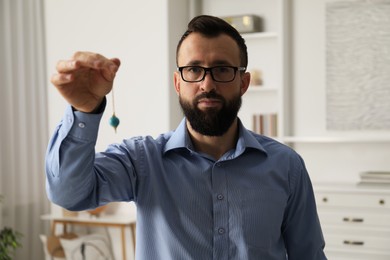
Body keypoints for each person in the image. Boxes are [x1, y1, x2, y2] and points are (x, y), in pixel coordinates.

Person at [45, 15, 326, 259]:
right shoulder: (141, 160)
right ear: (178, 83)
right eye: (193, 69)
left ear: (243, 82)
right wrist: (85, 111)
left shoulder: (287, 166)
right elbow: (69, 194)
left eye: (222, 70)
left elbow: (308, 254)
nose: (207, 84)